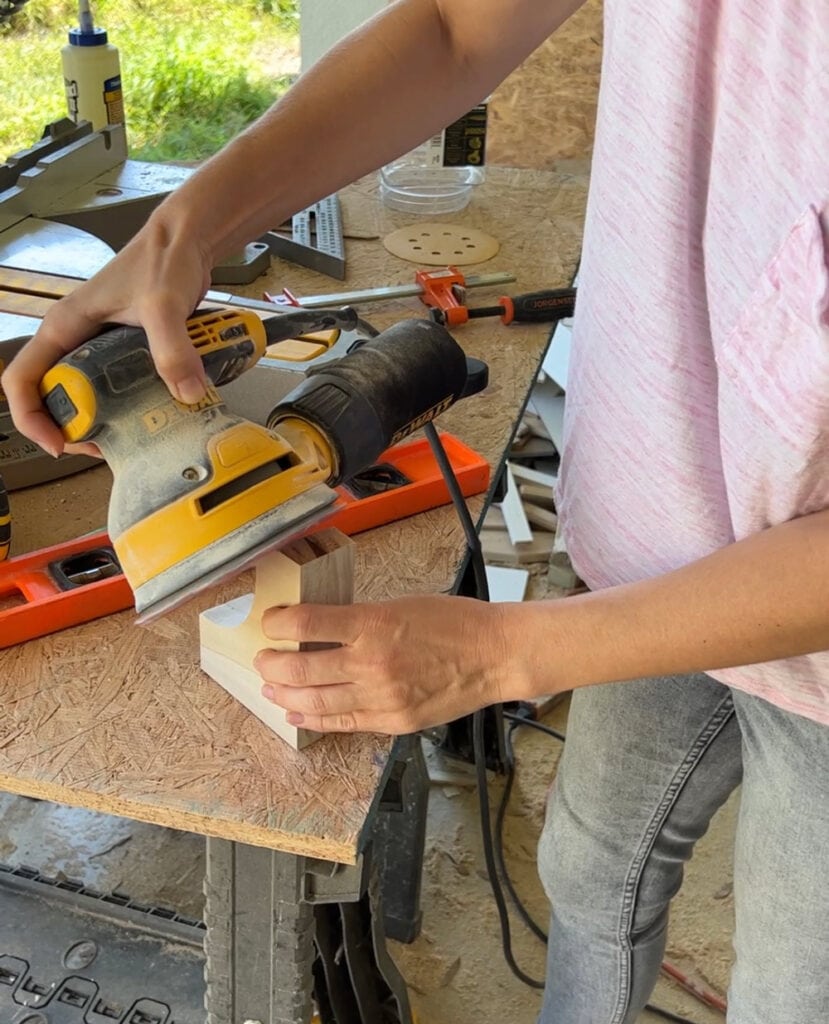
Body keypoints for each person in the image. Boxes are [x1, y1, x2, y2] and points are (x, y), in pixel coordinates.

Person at [3, 1, 828, 1020]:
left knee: (795, 986)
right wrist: (186, 224)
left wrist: (500, 656)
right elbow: (452, 28)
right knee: (592, 861)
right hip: (655, 552)